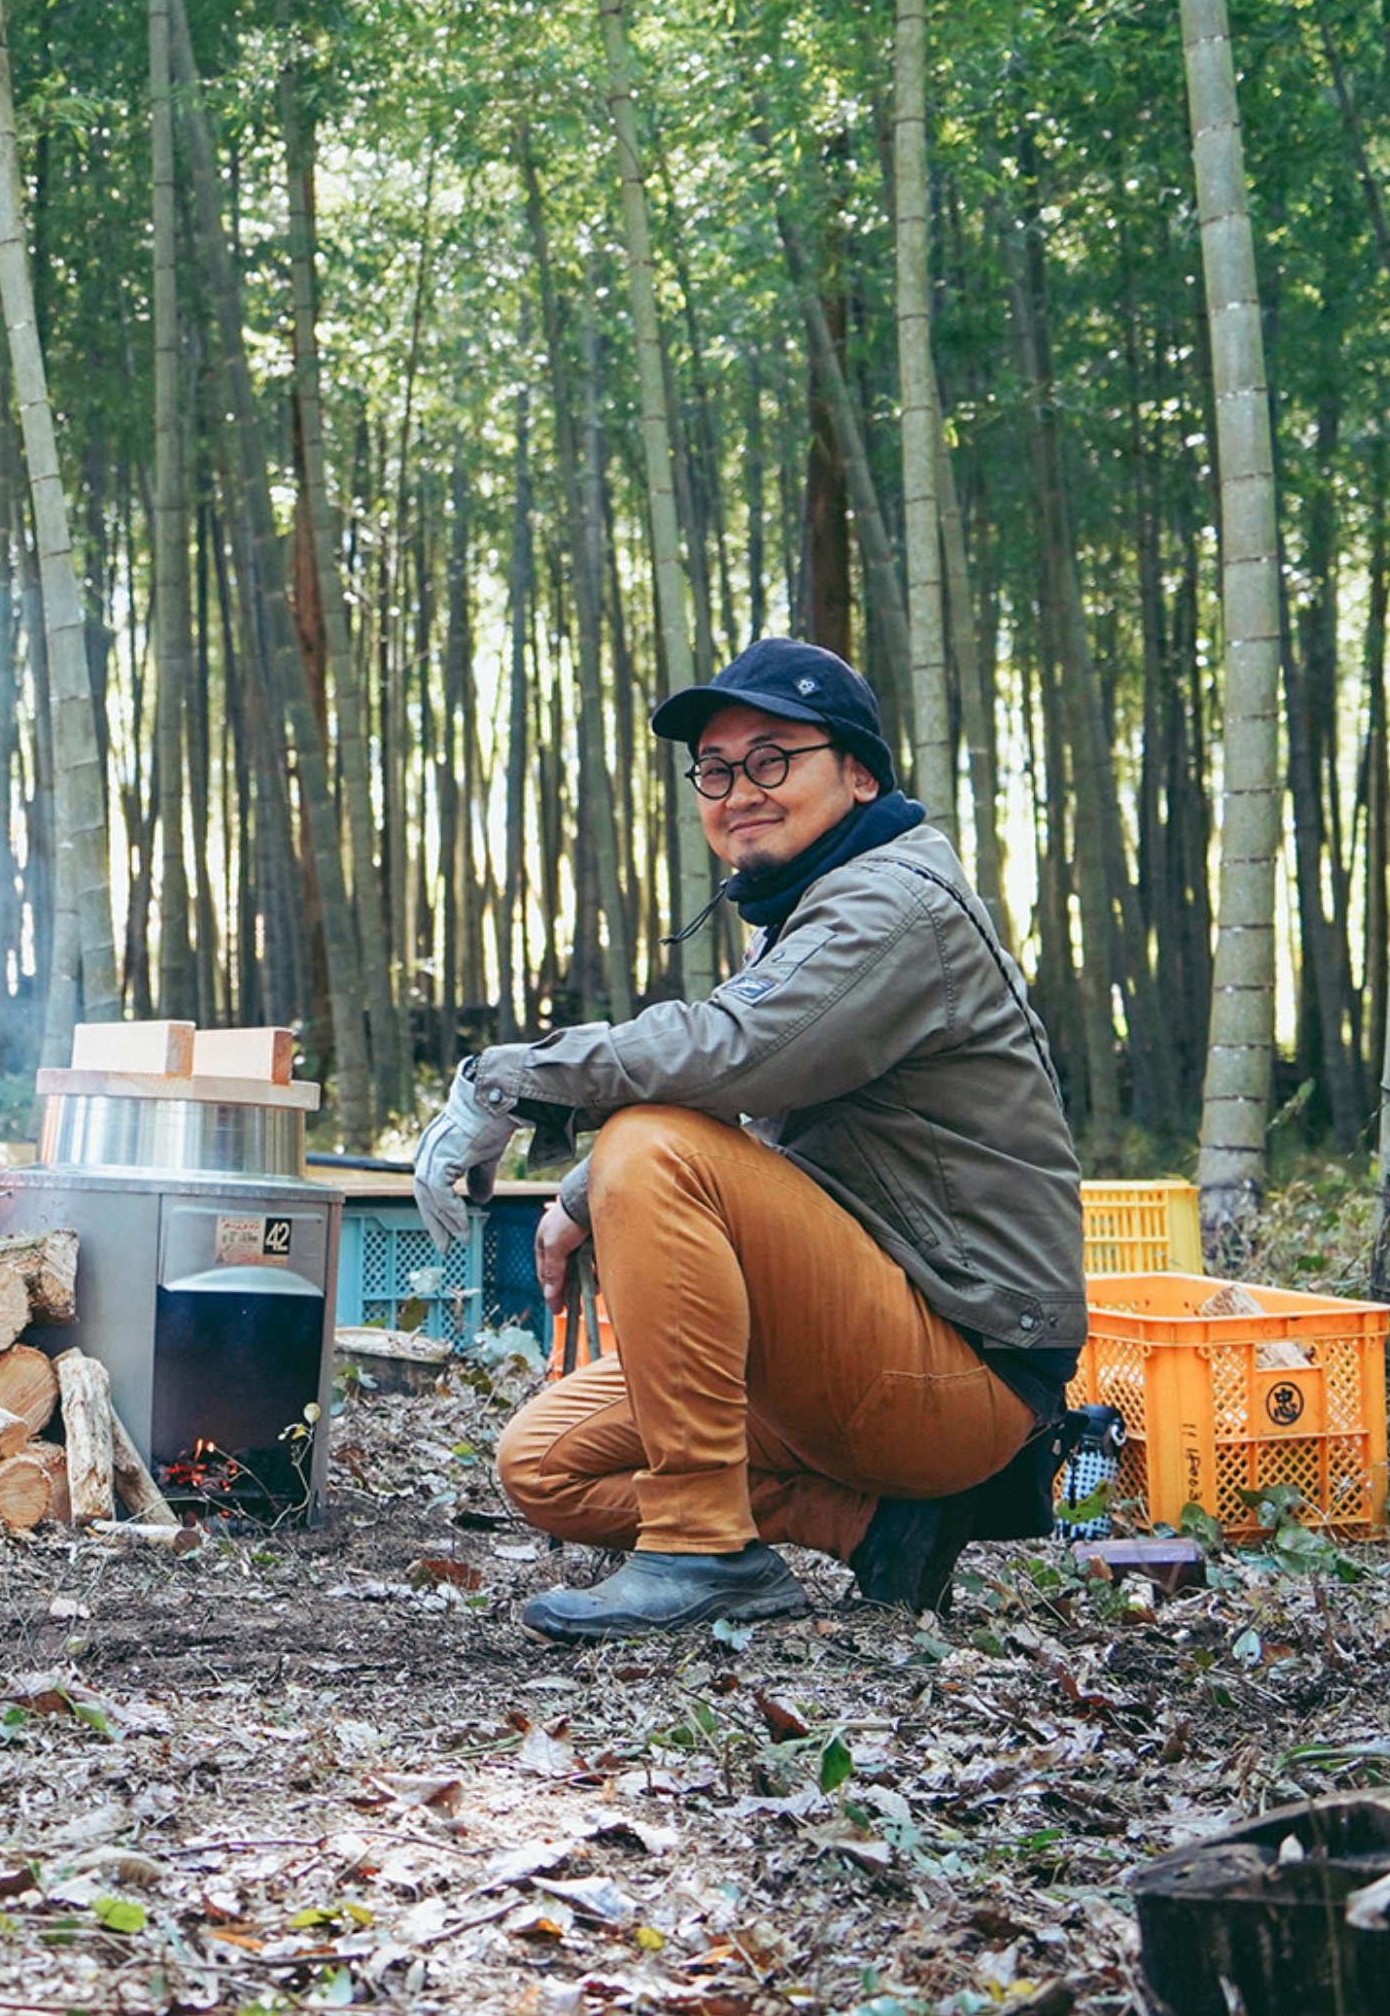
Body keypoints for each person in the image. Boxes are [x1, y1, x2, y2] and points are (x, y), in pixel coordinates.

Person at [407, 636, 1087, 1640]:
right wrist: (575, 1198)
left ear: (859, 773)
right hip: (850, 1345)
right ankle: (875, 1528)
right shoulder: (810, 907)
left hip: (960, 1369)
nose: (740, 791)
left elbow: (730, 1053)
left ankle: (699, 1546)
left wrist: (505, 1079)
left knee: (648, 1140)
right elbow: (745, 1099)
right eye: (717, 770)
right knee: (542, 1462)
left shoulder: (891, 905)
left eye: (773, 759)